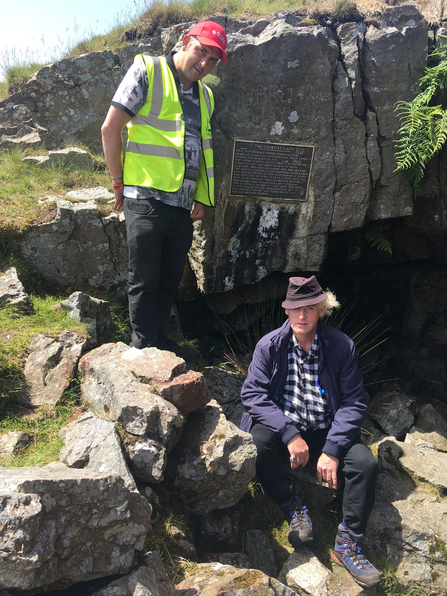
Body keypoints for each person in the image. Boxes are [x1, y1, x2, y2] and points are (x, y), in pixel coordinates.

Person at [240, 276, 380, 589]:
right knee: (257, 443)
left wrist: (332, 448)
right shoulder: (270, 346)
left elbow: (355, 402)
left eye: (309, 308)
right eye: (294, 309)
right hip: (283, 429)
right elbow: (252, 395)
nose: (301, 316)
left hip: (326, 430)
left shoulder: (341, 346)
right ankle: (295, 509)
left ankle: (348, 544)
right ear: (286, 312)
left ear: (321, 311)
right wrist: (289, 434)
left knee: (365, 464)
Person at [101, 21, 227, 351]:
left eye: (213, 59)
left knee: (168, 282)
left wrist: (200, 196)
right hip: (145, 196)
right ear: (185, 42)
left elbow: (202, 148)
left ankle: (159, 346)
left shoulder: (206, 96)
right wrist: (118, 181)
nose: (204, 63)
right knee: (144, 281)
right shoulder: (148, 71)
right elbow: (110, 129)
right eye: (202, 51)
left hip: (182, 207)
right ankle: (143, 352)